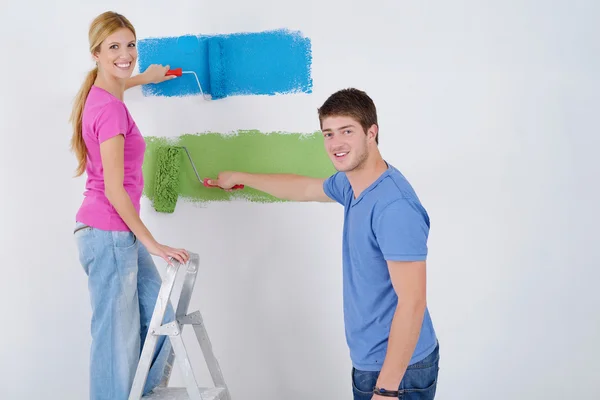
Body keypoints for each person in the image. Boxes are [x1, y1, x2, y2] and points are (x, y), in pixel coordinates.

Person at [207, 88, 440, 399]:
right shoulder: (354, 184)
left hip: (399, 372)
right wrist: (241, 176)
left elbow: (412, 303)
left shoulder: (393, 207)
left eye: (347, 131)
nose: (336, 143)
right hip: (373, 362)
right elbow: (302, 188)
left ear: (372, 132)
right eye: (328, 134)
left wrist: (386, 389)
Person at [69, 11, 190, 400]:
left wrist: (145, 77)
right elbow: (116, 190)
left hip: (115, 232)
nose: (126, 54)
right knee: (115, 346)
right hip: (109, 232)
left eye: (130, 45)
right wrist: (153, 243)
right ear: (96, 54)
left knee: (161, 318)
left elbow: (119, 84)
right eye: (114, 47)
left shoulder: (104, 95)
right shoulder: (110, 108)